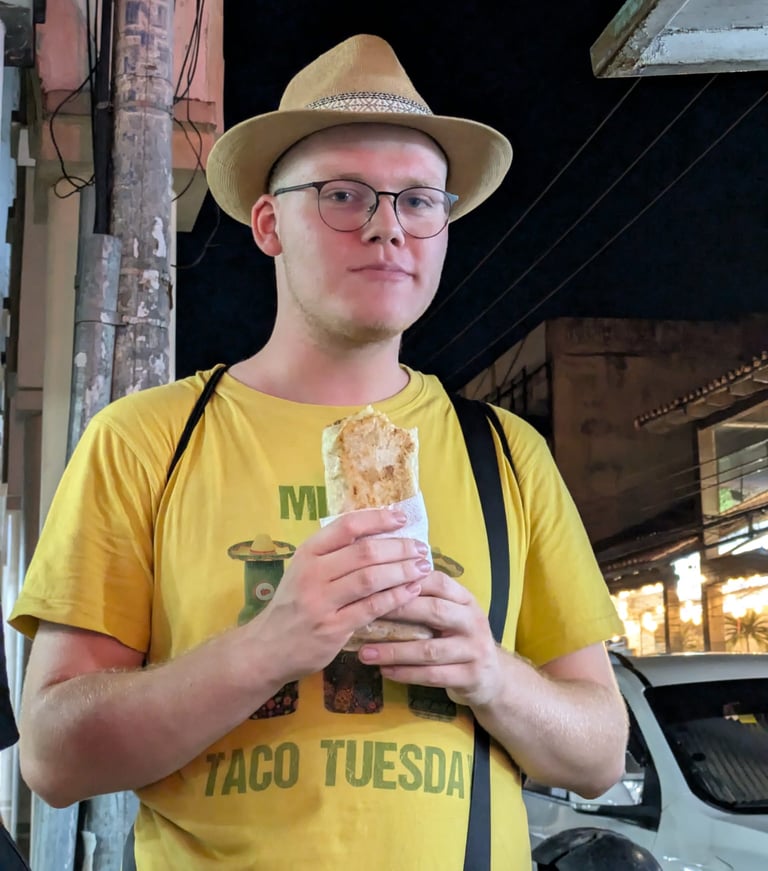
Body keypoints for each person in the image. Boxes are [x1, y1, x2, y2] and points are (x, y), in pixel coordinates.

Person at [9, 34, 628, 870]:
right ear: (270, 224)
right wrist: (267, 646)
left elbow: (598, 753)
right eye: (344, 195)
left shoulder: (508, 455)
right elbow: (53, 756)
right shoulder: (146, 439)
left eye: (419, 201)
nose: (388, 228)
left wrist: (489, 672)